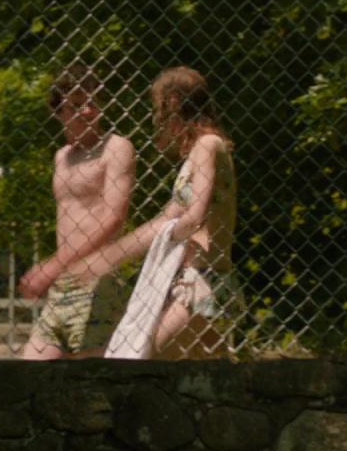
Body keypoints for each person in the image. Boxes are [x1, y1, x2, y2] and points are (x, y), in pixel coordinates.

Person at [70, 67, 238, 359]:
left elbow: (194, 216)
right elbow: (164, 220)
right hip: (189, 282)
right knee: (204, 368)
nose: (157, 118)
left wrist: (171, 233)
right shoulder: (195, 155)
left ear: (173, 102)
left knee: (147, 358)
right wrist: (107, 258)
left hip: (203, 283)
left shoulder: (208, 146)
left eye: (159, 108)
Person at [16, 66, 136, 359]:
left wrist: (53, 265)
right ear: (59, 112)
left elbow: (114, 217)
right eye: (77, 104)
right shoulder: (62, 157)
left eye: (93, 102)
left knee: (90, 378)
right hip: (62, 285)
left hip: (97, 280)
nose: (88, 111)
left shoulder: (116, 148)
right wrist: (57, 270)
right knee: (29, 371)